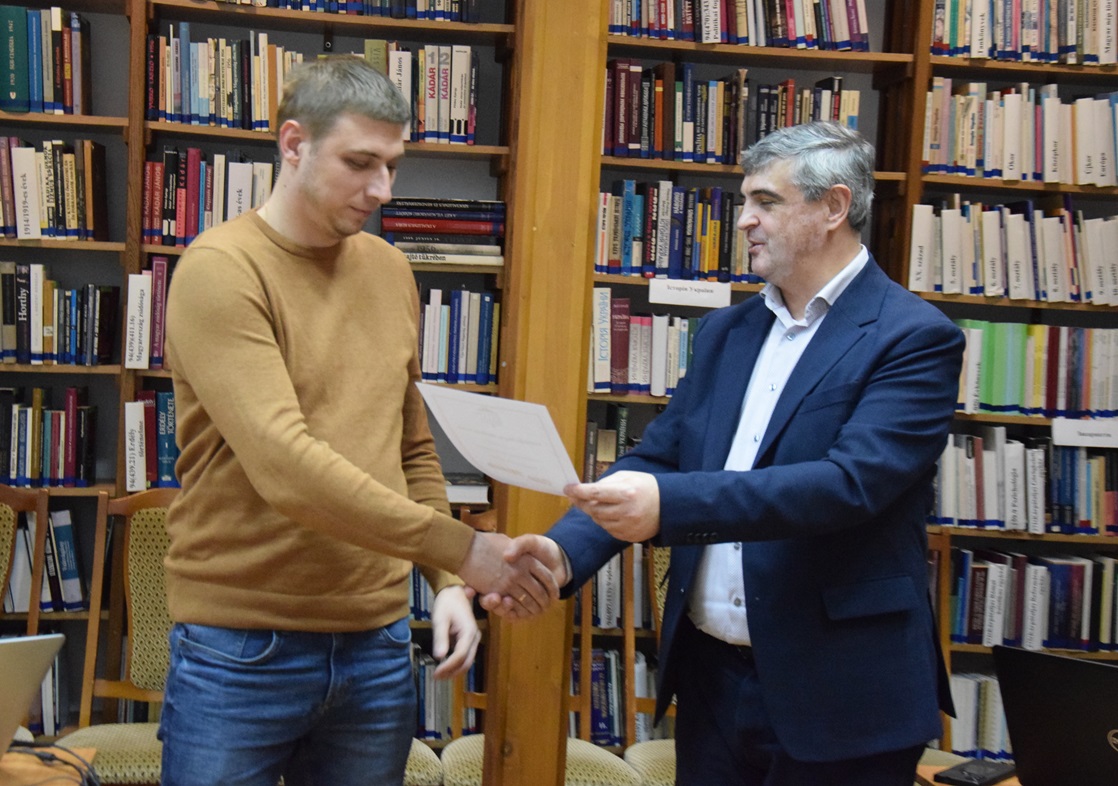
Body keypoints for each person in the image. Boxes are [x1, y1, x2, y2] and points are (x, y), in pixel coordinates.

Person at [491, 121, 964, 785]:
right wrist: (565, 551)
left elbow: (849, 484)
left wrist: (669, 507)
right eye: (745, 202)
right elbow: (660, 458)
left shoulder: (913, 337)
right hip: (712, 683)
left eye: (765, 202)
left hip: (840, 694)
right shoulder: (726, 332)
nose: (743, 221)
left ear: (833, 207)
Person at [159, 57, 556, 786]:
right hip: (242, 647)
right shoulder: (220, 270)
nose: (381, 190)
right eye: (359, 163)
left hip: (377, 645)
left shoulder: (389, 270)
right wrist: (465, 549)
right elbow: (286, 467)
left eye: (392, 166)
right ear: (293, 144)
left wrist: (446, 581)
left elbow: (411, 447)